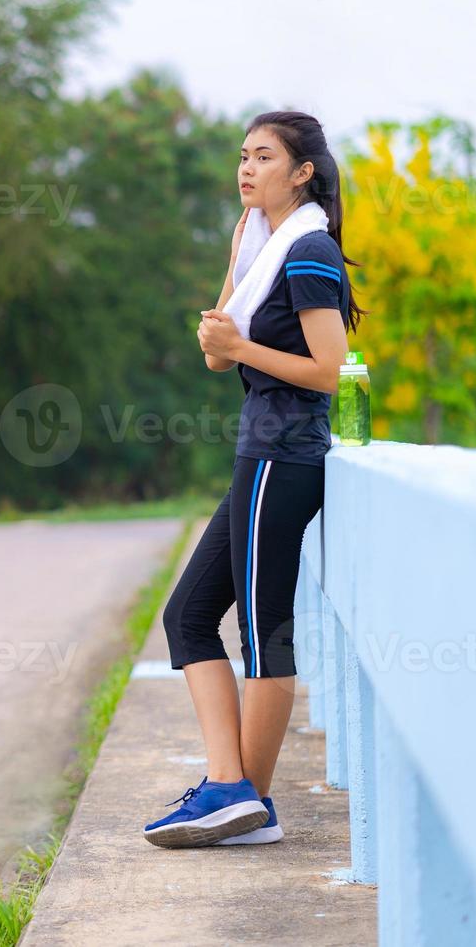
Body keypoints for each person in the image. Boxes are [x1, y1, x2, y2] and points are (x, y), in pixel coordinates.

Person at [143, 110, 368, 849]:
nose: (246, 169)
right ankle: (230, 789)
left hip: (287, 453)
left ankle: (247, 802)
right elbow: (222, 356)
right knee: (187, 616)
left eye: (264, 157)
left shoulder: (308, 253)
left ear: (301, 172)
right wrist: (219, 342)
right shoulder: (254, 240)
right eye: (242, 156)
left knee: (265, 632)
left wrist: (239, 346)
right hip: (260, 451)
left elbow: (329, 372)